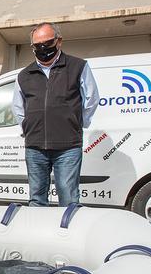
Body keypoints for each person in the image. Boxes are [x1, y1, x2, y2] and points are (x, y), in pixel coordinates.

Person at [11, 22, 100, 207]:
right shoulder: (24, 75)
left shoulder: (78, 66)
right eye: (38, 45)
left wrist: (75, 122)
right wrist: (27, 129)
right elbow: (18, 108)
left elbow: (91, 99)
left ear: (59, 42)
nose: (43, 48)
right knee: (36, 199)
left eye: (47, 42)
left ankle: (67, 234)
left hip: (67, 146)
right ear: (32, 47)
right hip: (35, 147)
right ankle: (39, 234)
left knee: (68, 199)